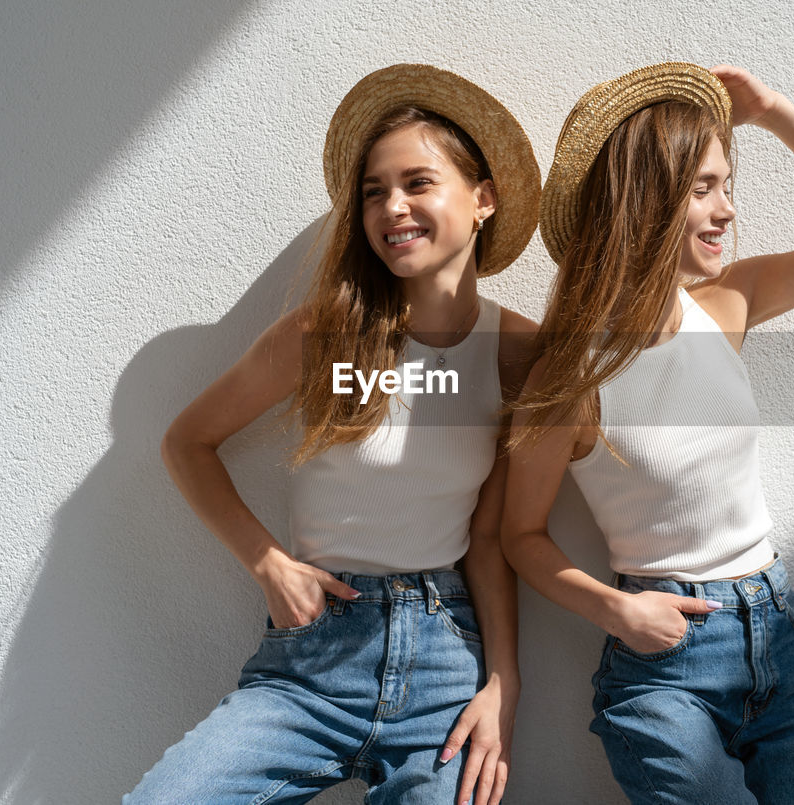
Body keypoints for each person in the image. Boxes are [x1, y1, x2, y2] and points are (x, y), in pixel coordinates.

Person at [501, 62, 794, 804]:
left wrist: (775, 112)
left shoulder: (726, 307)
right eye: (702, 189)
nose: (726, 210)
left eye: (728, 186)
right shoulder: (569, 379)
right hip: (669, 663)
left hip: (781, 635)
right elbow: (520, 535)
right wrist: (614, 607)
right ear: (645, 201)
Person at [125, 64, 540, 805]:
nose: (392, 207)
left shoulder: (517, 352)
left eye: (417, 182)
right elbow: (187, 441)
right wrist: (268, 563)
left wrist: (503, 687)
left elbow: (490, 538)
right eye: (374, 191)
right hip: (313, 662)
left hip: (444, 663)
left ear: (483, 199)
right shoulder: (325, 334)